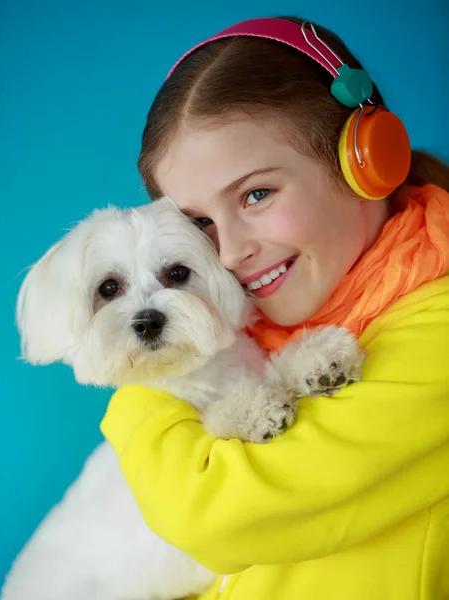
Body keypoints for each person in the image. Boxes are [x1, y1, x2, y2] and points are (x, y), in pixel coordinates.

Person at [100, 16, 449, 599]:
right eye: (199, 224)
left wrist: (139, 378)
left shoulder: (437, 336)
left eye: (256, 194)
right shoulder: (250, 341)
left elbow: (213, 518)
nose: (231, 253)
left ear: (369, 158)